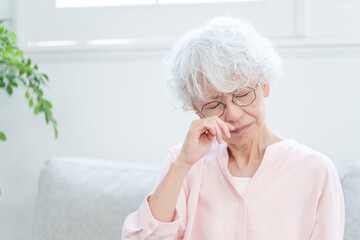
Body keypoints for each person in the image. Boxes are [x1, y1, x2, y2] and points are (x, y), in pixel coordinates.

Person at [121, 16, 345, 240]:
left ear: (264, 84)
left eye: (242, 94)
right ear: (197, 110)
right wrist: (182, 164)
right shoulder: (185, 163)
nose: (234, 114)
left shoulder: (315, 170)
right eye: (214, 104)